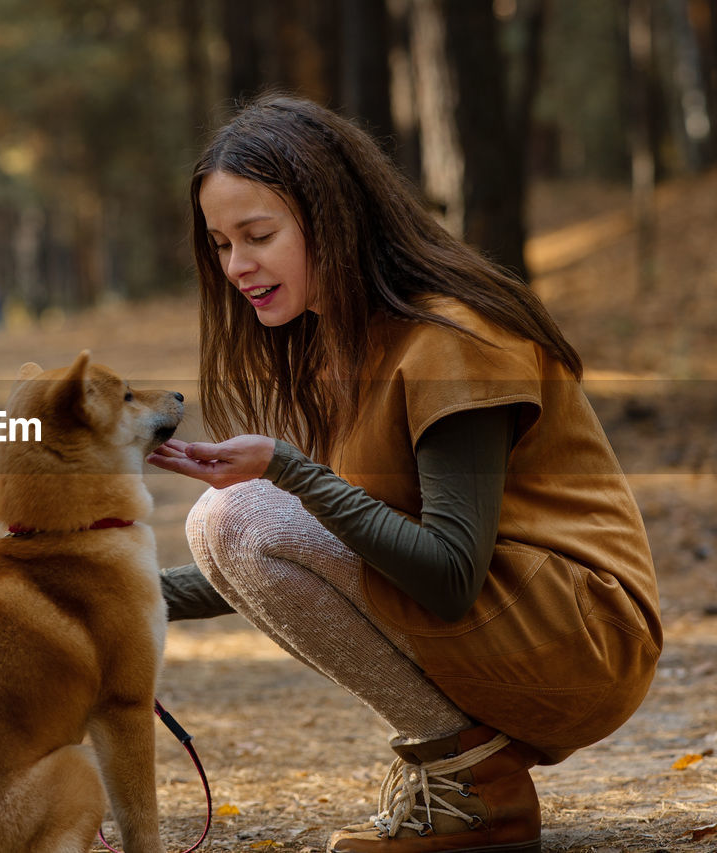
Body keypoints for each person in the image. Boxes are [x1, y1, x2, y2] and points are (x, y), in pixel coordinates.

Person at [147, 94, 661, 853]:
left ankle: (472, 790)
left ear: (333, 218)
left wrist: (286, 468)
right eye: (221, 244)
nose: (236, 266)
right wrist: (103, 591)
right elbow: (315, 558)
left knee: (234, 512)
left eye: (258, 236)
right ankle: (470, 782)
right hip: (516, 624)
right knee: (234, 523)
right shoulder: (351, 343)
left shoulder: (449, 341)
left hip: (582, 639)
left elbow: (449, 573)